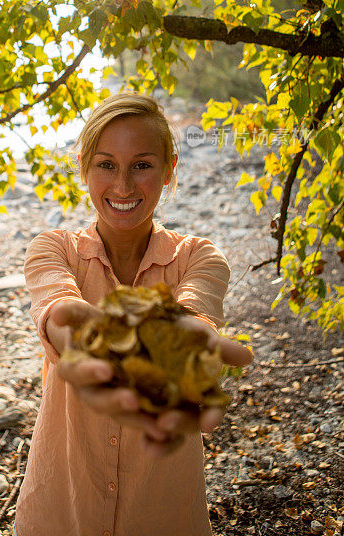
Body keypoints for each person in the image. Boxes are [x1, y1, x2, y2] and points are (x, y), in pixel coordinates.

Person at [14, 93, 252, 536]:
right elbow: (58, 313)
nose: (123, 186)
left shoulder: (201, 258)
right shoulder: (52, 249)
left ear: (169, 170)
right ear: (84, 166)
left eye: (141, 165)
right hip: (62, 507)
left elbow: (193, 318)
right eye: (106, 165)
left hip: (161, 508)